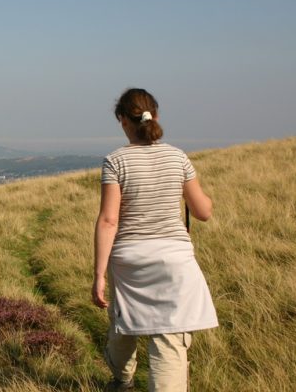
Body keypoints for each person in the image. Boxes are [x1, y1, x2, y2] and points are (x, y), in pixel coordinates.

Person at [92, 88, 218, 392]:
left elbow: (109, 220)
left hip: (130, 261)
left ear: (122, 120)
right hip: (174, 261)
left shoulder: (115, 161)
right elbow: (203, 213)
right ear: (156, 116)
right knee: (170, 341)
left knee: (123, 327)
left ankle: (122, 381)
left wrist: (98, 276)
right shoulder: (178, 157)